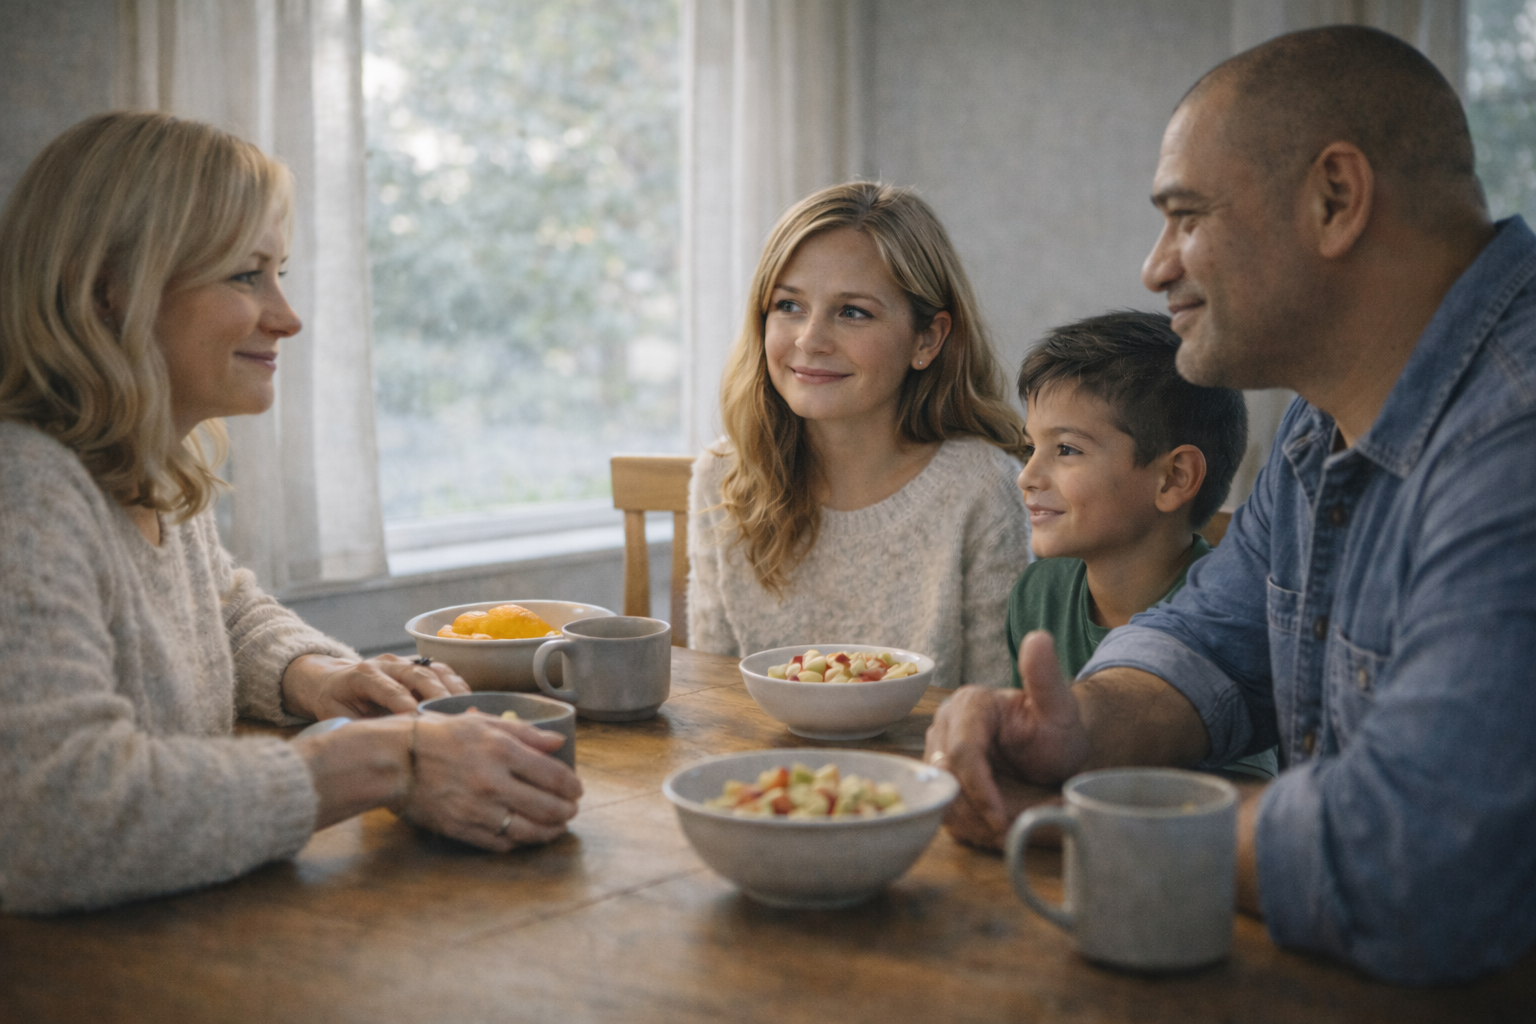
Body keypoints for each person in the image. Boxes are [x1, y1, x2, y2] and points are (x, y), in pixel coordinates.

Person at [924, 25, 1536, 984]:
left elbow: (1413, 858)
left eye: (1186, 215)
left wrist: (1101, 813)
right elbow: (1209, 645)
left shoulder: (1516, 436)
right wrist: (1075, 732)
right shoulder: (1314, 425)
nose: (1155, 266)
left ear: (1336, 199)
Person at [0, 112, 581, 915]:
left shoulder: (148, 464)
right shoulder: (24, 491)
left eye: (281, 273)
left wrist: (319, 676)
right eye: (246, 276)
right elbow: (51, 819)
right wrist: (391, 761)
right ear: (110, 291)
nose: (287, 316)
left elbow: (217, 614)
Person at [688, 182, 1030, 689]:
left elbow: (992, 709)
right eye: (788, 305)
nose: (810, 340)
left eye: (853, 312)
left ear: (927, 339)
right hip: (760, 768)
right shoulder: (725, 477)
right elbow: (713, 695)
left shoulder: (983, 488)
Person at [1006, 311, 1274, 780]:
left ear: (1173, 477)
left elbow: (1241, 789)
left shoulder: (1232, 619)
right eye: (1031, 448)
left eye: (1066, 449)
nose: (1027, 476)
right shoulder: (1038, 591)